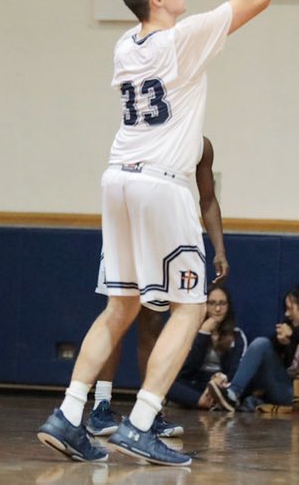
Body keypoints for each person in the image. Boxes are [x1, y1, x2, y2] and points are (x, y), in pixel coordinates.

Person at [36, 0, 272, 466]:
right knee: (189, 307)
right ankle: (142, 421)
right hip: (162, 185)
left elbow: (164, 4)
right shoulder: (184, 39)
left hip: (117, 178)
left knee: (120, 305)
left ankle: (69, 415)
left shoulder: (127, 44)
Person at [86, 135, 230, 437]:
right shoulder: (144, 130)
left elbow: (207, 198)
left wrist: (219, 248)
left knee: (152, 323)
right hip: (129, 226)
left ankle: (148, 410)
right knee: (118, 317)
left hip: (164, 235)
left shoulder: (200, 145)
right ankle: (100, 406)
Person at [207, 284, 299, 419]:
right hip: (287, 391)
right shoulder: (290, 325)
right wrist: (280, 343)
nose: (287, 313)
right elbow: (271, 350)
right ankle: (232, 394)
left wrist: (294, 335)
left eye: (290, 308)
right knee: (261, 343)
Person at [167, 284, 247, 409]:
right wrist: (203, 333)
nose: (218, 309)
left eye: (222, 303)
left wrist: (221, 378)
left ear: (228, 306)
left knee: (232, 389)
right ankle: (205, 402)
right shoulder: (193, 331)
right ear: (205, 306)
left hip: (221, 386)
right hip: (196, 385)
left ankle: (212, 401)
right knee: (167, 384)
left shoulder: (237, 335)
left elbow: (238, 370)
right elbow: (187, 370)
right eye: (212, 303)